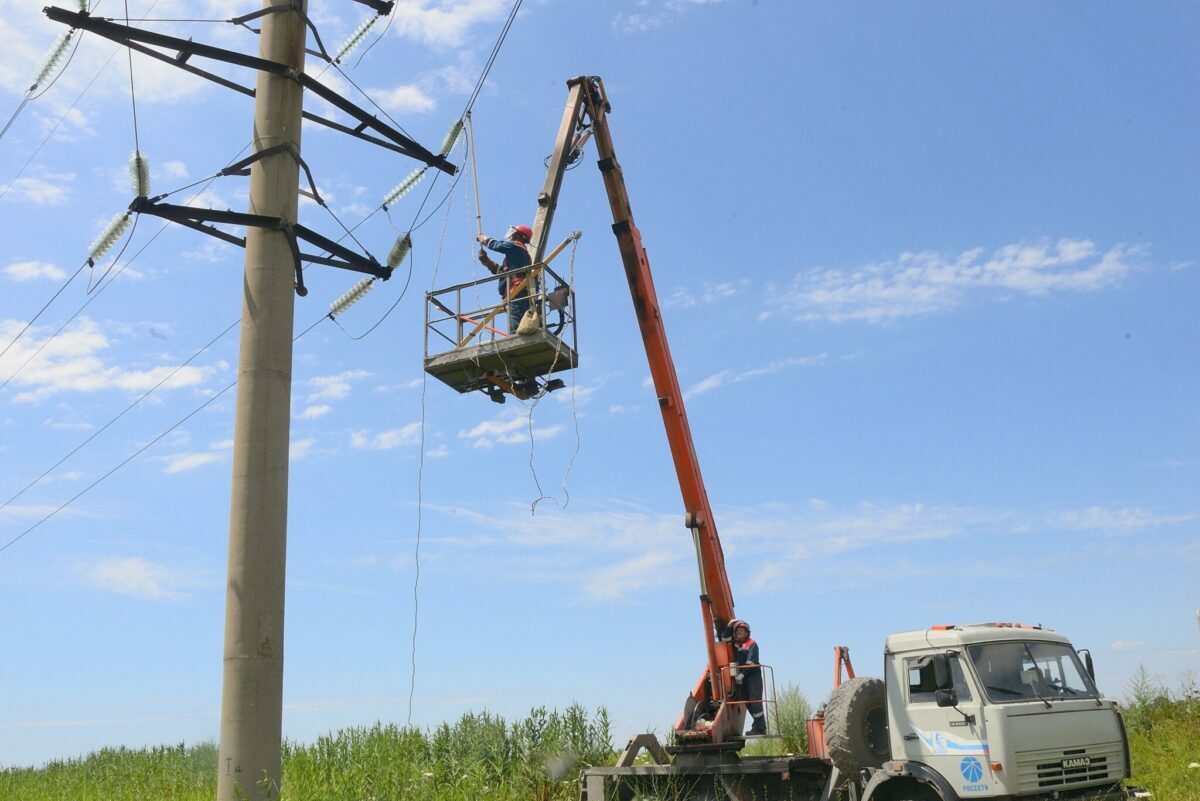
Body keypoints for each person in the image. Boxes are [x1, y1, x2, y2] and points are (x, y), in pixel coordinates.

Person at [476, 225, 534, 334]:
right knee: (517, 319)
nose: (510, 235)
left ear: (518, 235)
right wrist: (486, 261)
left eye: (513, 233)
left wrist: (482, 238)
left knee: (516, 322)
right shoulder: (517, 256)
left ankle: (517, 338)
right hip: (517, 291)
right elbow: (502, 272)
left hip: (517, 291)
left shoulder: (516, 247)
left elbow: (496, 245)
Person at [730, 618, 767, 736]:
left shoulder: (752, 644)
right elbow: (724, 638)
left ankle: (760, 728)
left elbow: (751, 663)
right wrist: (729, 625)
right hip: (744, 678)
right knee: (748, 702)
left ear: (747, 633)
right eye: (737, 631)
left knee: (755, 701)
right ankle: (759, 726)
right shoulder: (737, 645)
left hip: (753, 677)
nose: (738, 633)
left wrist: (741, 674)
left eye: (741, 631)